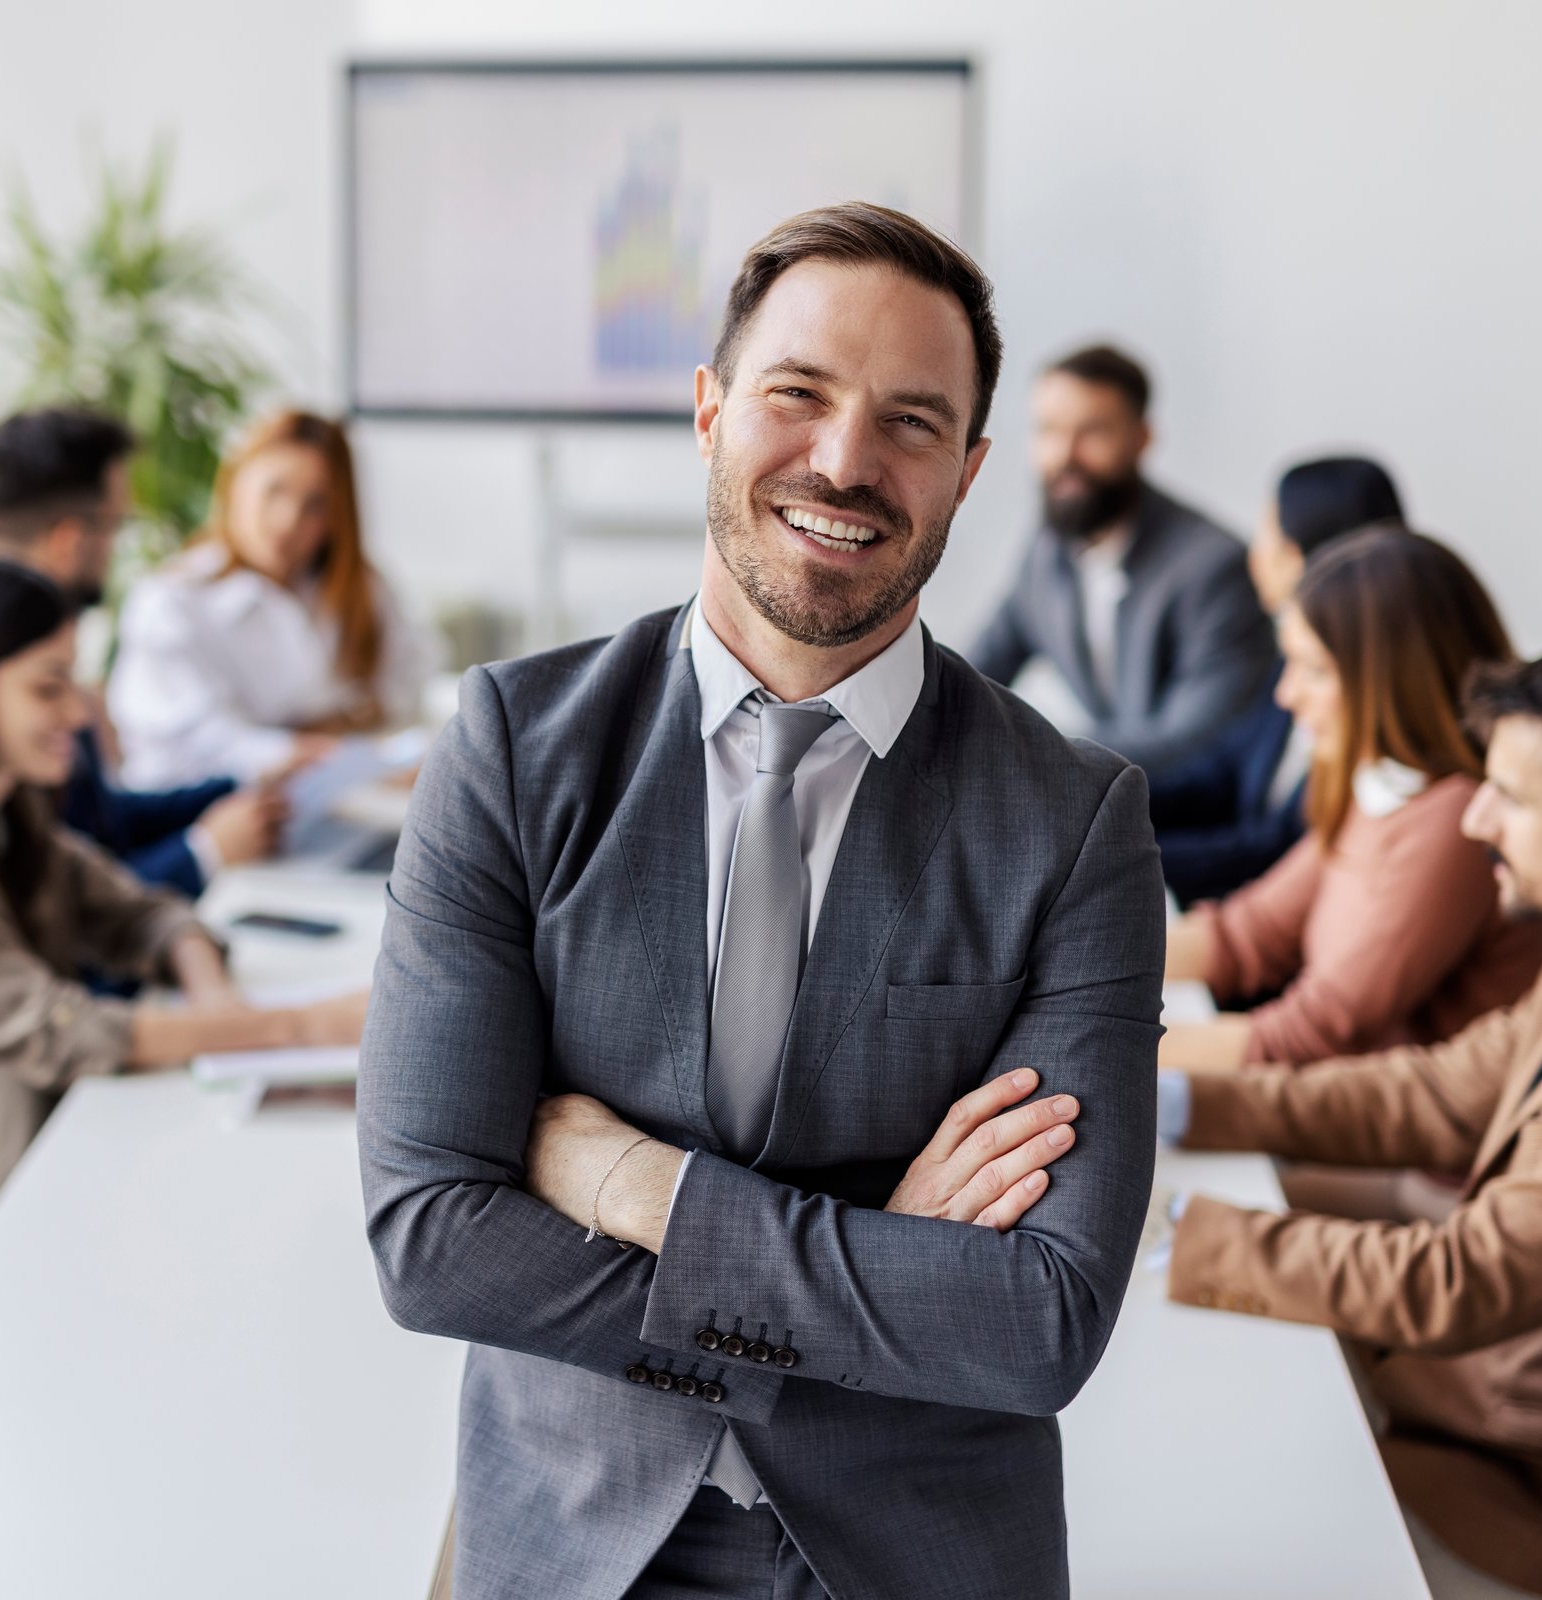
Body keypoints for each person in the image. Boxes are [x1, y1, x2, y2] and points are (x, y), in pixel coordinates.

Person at [357, 203, 1163, 1600]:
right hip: (573, 1532)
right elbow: (433, 1243)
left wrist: (636, 1187)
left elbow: (1042, 1322)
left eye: (912, 423)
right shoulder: (511, 747)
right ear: (713, 410)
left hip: (922, 1551)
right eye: (799, 396)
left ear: (970, 473)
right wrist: (889, 1273)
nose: (846, 462)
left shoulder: (1076, 822)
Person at [1157, 631, 1542, 1600]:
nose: (1474, 818)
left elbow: (1460, 1277)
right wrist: (1183, 1102)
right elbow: (1438, 1091)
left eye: (1511, 797)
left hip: (1538, 1483)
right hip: (1489, 1387)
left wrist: (1175, 1237)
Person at [0, 558, 365, 1260]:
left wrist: (215, 999)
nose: (78, 712)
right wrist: (295, 1027)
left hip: (19, 1150)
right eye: (47, 686)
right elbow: (51, 1027)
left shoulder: (3, 803)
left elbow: (137, 909)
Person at [1159, 527, 1542, 1070]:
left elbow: (1316, 1033)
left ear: (1394, 683)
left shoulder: (1457, 822)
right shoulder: (1382, 784)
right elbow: (1247, 936)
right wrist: (1064, 963)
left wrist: (1088, 1044)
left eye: (1314, 670)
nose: (1286, 695)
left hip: (1394, 1144)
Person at [0, 406, 282, 899]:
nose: (74, 710)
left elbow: (99, 825)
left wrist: (237, 787)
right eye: (115, 527)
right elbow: (65, 913)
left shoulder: (27, 656)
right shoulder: (2, 696)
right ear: (70, 541)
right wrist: (205, 853)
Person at [966, 344, 1274, 773]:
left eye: (1092, 432)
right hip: (1100, 794)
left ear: (1141, 440)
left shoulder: (1213, 568)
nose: (1065, 456)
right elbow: (976, 673)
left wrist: (1026, 751)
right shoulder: (1048, 546)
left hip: (1190, 816)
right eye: (1049, 430)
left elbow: (1196, 741)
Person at [107, 408, 433, 790]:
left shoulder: (359, 588)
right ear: (235, 485)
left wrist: (338, 726)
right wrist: (314, 742)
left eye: (316, 504)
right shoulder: (171, 601)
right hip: (203, 816)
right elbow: (198, 744)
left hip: (325, 805)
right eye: (274, 491)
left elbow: (409, 679)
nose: (288, 520)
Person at [1151, 456, 1406, 903]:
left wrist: (1108, 854)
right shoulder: (1294, 662)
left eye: (1266, 533)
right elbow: (1221, 771)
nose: (1255, 554)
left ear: (1296, 557)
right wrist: (1103, 805)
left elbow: (1269, 852)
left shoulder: (1373, 709)